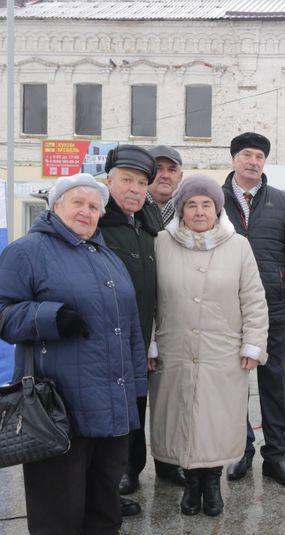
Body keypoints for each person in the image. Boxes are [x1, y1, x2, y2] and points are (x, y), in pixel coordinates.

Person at [0, 174, 146, 535]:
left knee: (106, 467)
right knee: (59, 472)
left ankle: (101, 533)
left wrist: (136, 383)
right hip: (58, 388)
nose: (86, 212)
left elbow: (130, 325)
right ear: (56, 207)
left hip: (112, 384)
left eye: (94, 206)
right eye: (77, 203)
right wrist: (51, 317)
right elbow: (4, 312)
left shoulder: (105, 254)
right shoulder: (27, 251)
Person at [148, 175, 269, 517]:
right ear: (181, 210)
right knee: (182, 415)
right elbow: (148, 301)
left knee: (216, 419)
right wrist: (149, 344)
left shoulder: (238, 246)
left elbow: (254, 300)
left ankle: (212, 482)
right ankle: (190, 483)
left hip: (223, 351)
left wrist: (252, 345)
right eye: (191, 204)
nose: (199, 211)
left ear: (217, 209)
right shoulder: (160, 243)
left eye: (206, 205)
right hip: (175, 348)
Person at [222, 132, 285, 487]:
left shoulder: (282, 202)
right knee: (233, 386)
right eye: (246, 155)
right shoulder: (213, 200)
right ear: (233, 159)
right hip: (226, 310)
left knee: (273, 383)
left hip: (273, 310)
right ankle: (240, 450)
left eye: (259, 156)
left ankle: (276, 456)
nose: (253, 162)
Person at [100, 145, 183, 516]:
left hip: (144, 335)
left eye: (140, 182)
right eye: (126, 181)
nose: (134, 189)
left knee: (137, 404)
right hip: (106, 338)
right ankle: (120, 477)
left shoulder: (148, 223)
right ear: (109, 182)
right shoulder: (97, 220)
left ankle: (133, 469)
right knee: (115, 412)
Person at [147, 145, 184, 227]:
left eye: (172, 170)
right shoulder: (131, 209)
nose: (165, 175)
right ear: (146, 172)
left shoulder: (189, 211)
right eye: (157, 168)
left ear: (180, 176)